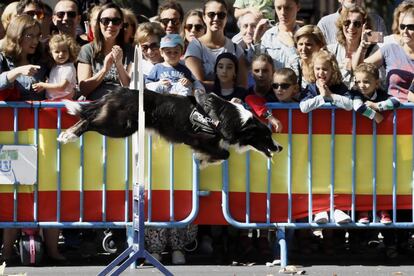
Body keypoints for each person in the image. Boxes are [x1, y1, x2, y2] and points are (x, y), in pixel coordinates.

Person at [0, 15, 64, 263]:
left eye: (38, 35)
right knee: (15, 193)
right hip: (12, 138)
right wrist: (16, 72)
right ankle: (6, 251)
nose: (35, 41)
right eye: (30, 35)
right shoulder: (4, 59)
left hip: (42, 138)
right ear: (16, 35)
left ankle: (53, 249)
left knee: (48, 192)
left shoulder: (42, 63)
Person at [353, 5, 414, 103]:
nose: (405, 31)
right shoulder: (390, 49)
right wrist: (362, 47)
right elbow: (359, 69)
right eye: (402, 26)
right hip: (392, 113)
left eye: (411, 27)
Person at [185, 0, 248, 90]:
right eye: (211, 14)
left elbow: (242, 86)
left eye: (221, 15)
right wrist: (229, 85)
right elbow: (197, 84)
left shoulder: (236, 49)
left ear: (226, 18)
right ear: (204, 17)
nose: (216, 18)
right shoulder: (195, 47)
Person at [77, 2, 133, 100]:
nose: (110, 25)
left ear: (121, 24)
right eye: (105, 21)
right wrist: (105, 69)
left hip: (121, 107)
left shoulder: (130, 50)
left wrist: (119, 65)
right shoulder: (87, 50)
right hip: (95, 105)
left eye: (116, 21)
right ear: (99, 24)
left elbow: (131, 87)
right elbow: (83, 89)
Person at [327, 6, 379, 88]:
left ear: (364, 27)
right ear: (341, 25)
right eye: (347, 23)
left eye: (357, 24)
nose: (351, 27)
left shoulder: (374, 50)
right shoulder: (331, 50)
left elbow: (378, 81)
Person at [246, 68, 300, 132]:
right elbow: (250, 99)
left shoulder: (302, 105)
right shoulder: (270, 100)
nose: (279, 89)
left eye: (284, 85)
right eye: (275, 86)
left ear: (295, 88)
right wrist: (271, 118)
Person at [299, 49, 353, 114]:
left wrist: (330, 95)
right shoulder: (311, 88)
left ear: (333, 70)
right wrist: (322, 97)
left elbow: (350, 105)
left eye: (325, 69)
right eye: (317, 69)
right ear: (313, 69)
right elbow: (303, 108)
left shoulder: (339, 86)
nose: (321, 73)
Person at [317, 0, 387, 45]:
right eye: (347, 23)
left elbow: (384, 44)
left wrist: (367, 37)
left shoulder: (376, 21)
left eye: (357, 24)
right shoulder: (325, 24)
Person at [32, 34, 79, 100]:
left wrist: (44, 85)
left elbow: (62, 87)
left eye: (64, 51)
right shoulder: (54, 67)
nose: (61, 54)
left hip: (64, 102)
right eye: (57, 51)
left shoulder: (69, 68)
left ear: (69, 51)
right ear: (51, 54)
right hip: (53, 101)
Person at [259, 0, 300, 69]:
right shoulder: (268, 36)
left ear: (298, 7)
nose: (283, 12)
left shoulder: (305, 36)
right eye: (278, 8)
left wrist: (292, 48)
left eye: (287, 8)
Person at [289, 25, 327, 89]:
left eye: (308, 44)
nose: (303, 49)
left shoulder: (327, 65)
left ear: (320, 45)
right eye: (300, 44)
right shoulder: (294, 63)